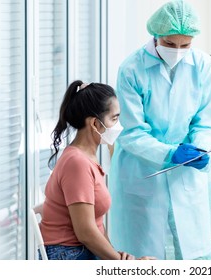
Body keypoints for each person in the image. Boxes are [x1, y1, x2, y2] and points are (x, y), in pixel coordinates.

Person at [108, 0, 211, 260]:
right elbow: (133, 132)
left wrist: (201, 148)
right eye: (170, 44)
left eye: (186, 45)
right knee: (144, 255)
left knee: (192, 253)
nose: (178, 51)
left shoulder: (203, 65)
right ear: (156, 36)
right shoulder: (131, 69)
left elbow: (209, 121)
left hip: (187, 173)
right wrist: (169, 153)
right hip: (143, 170)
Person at [39, 80, 155, 260]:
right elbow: (85, 232)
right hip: (69, 254)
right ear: (95, 123)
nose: (119, 125)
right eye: (114, 118)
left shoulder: (87, 158)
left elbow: (95, 224)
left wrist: (117, 256)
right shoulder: (77, 163)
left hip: (80, 251)